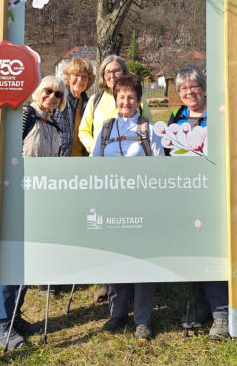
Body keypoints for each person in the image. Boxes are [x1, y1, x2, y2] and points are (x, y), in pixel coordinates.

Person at [167, 66, 237, 340]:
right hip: (185, 196)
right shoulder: (177, 117)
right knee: (193, 252)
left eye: (193, 86)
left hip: (216, 194)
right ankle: (200, 307)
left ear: (203, 88)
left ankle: (221, 314)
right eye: (183, 89)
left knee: (214, 252)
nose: (189, 92)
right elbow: (167, 154)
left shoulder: (222, 114)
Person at [0, 75, 67, 350]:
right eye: (48, 91)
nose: (52, 97)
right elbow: (7, 152)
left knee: (27, 261)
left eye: (58, 94)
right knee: (13, 260)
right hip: (19, 198)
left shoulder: (55, 124)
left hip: (41, 200)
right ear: (38, 91)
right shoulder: (26, 115)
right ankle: (1, 322)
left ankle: (15, 315)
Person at [92, 74, 162, 342]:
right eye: (121, 97)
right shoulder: (106, 129)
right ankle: (117, 313)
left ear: (139, 100)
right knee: (116, 258)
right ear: (115, 99)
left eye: (131, 97)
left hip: (142, 203)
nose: (126, 102)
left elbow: (159, 166)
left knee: (144, 259)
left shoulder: (148, 129)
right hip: (112, 204)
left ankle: (142, 320)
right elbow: (95, 164)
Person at [79, 55, 152, 304]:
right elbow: (85, 130)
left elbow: (149, 129)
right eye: (108, 72)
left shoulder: (137, 102)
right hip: (106, 174)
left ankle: (135, 286)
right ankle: (108, 286)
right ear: (103, 76)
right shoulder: (96, 100)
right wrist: (96, 150)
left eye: (117, 71)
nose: (112, 75)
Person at [53, 57, 95, 157]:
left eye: (84, 76)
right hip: (60, 158)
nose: (80, 80)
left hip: (82, 159)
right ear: (68, 77)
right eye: (76, 75)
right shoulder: (58, 99)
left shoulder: (89, 103)